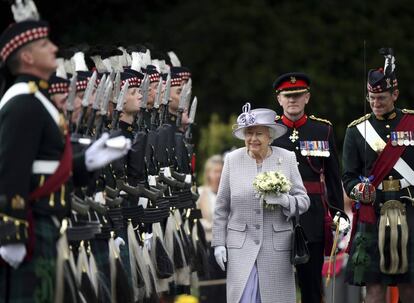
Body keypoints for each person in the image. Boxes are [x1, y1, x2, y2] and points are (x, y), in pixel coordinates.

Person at [0, 7, 129, 302]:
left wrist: (89, 161)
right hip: (31, 226)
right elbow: (10, 170)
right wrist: (11, 232)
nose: (55, 48)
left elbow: (45, 167)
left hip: (46, 223)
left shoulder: (36, 99)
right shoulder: (23, 102)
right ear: (28, 57)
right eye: (45, 44)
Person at [212, 103, 310, 303]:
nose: (253, 139)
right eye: (249, 133)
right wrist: (219, 243)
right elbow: (221, 206)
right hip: (240, 247)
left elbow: (304, 201)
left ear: (270, 136)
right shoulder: (232, 160)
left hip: (277, 249)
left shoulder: (287, 158)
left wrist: (283, 200)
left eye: (259, 134)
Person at [342, 49, 414, 303]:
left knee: (409, 284)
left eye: (381, 98)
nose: (375, 103)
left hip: (409, 208)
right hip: (374, 208)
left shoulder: (412, 123)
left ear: (395, 94)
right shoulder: (356, 130)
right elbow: (348, 176)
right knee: (373, 286)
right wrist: (357, 190)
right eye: (371, 98)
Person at [272, 72, 344, 303]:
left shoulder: (322, 130)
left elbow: (333, 176)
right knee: (276, 282)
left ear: (307, 98)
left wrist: (337, 213)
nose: (293, 100)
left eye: (298, 95)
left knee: (311, 284)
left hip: (312, 215)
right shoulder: (269, 132)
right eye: (288, 95)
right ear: (279, 99)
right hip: (277, 214)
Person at [196, 154, 226, 303]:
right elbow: (198, 222)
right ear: (208, 173)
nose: (218, 175)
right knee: (209, 290)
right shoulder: (200, 194)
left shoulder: (229, 194)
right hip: (207, 247)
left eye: (221, 171)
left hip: (228, 247)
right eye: (215, 171)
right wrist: (217, 226)